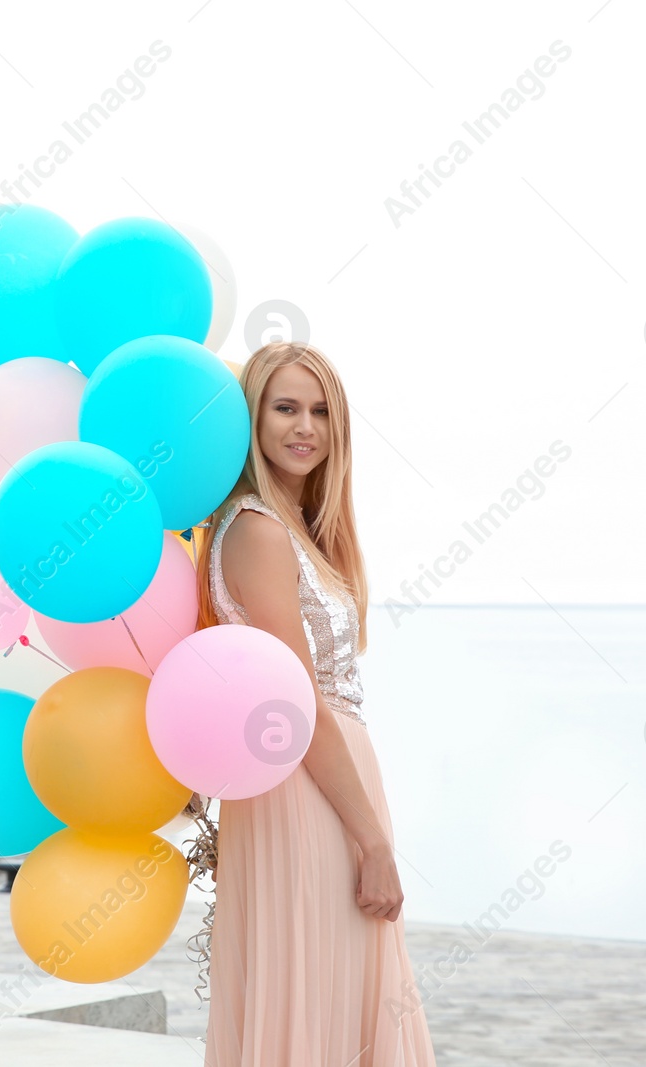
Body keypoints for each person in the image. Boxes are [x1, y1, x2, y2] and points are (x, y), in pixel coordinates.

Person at [195, 341, 437, 1066]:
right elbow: (295, 702)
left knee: (338, 986)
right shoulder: (258, 531)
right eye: (286, 407)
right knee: (315, 987)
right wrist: (372, 841)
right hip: (304, 786)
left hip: (329, 779)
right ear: (251, 419)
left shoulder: (299, 529)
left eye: (322, 410)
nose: (306, 427)